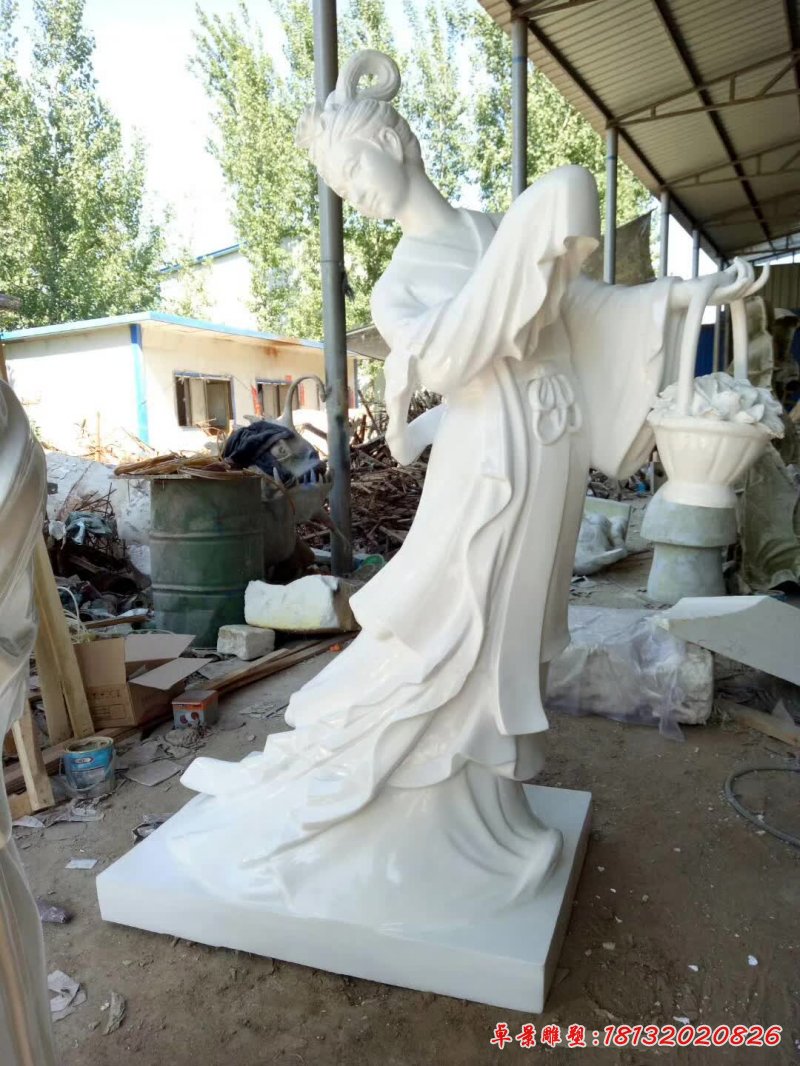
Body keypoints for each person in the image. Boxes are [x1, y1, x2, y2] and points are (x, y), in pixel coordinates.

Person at [168, 50, 757, 928]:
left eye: (353, 170)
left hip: (550, 450)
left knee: (517, 629)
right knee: (458, 619)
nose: (353, 195)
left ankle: (483, 796)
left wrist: (686, 293)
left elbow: (587, 309)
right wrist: (517, 266)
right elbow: (447, 356)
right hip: (489, 462)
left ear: (393, 142)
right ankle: (425, 807)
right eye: (339, 187)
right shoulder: (401, 282)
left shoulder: (491, 230)